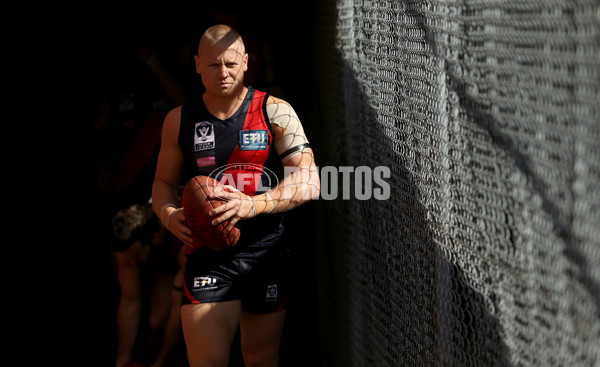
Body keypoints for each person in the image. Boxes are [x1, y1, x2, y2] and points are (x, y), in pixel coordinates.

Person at [151, 24, 320, 367]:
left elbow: (310, 181)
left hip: (266, 251)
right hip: (208, 253)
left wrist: (254, 204)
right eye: (213, 65)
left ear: (246, 62)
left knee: (259, 359)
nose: (223, 72)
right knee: (207, 360)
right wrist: (168, 215)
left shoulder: (276, 111)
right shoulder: (179, 120)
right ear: (197, 65)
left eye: (230, 63)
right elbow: (162, 184)